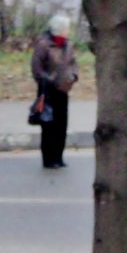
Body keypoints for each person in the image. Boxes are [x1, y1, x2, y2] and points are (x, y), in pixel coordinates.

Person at [30, 15, 79, 168]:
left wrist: (73, 76)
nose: (68, 31)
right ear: (59, 29)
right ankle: (48, 158)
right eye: (66, 28)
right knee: (48, 123)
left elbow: (73, 63)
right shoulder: (44, 44)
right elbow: (37, 68)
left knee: (62, 124)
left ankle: (59, 156)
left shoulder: (68, 44)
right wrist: (49, 80)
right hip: (48, 90)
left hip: (64, 89)